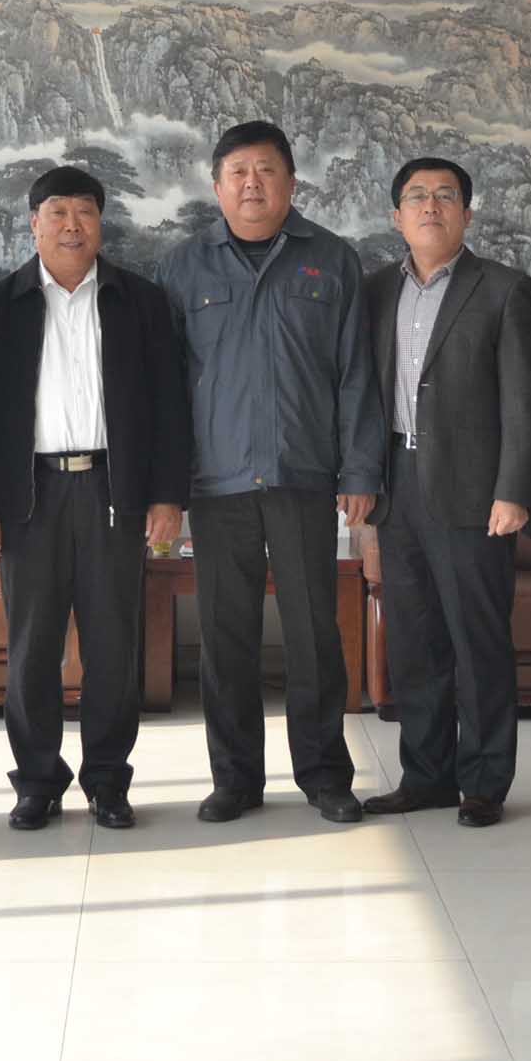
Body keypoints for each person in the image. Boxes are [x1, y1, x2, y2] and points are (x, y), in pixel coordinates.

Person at [156, 120, 383, 824]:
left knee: (315, 632)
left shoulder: (333, 260)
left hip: (303, 475)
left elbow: (356, 374)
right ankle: (235, 780)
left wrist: (359, 470)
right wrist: (167, 486)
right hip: (216, 482)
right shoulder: (184, 266)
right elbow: (165, 386)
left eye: (266, 171)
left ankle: (325, 776)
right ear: (217, 186)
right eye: (239, 173)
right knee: (226, 637)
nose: (252, 184)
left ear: (290, 180)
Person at [0, 166, 189, 830]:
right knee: (33, 647)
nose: (71, 225)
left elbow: (170, 405)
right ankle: (37, 781)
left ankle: (108, 781)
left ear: (100, 224)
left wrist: (167, 496)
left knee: (113, 645)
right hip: (29, 495)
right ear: (34, 223)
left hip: (115, 490)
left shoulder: (139, 301)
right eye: (56, 213)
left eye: (84, 212)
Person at [360, 158, 531, 827]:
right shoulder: (375, 290)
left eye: (444, 196)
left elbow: (522, 399)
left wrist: (513, 489)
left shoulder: (504, 289)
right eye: (416, 197)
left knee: (477, 640)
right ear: (396, 216)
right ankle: (426, 776)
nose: (430, 206)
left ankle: (484, 781)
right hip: (395, 485)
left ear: (467, 212)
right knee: (414, 642)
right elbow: (360, 393)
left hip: (474, 491)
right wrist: (359, 480)